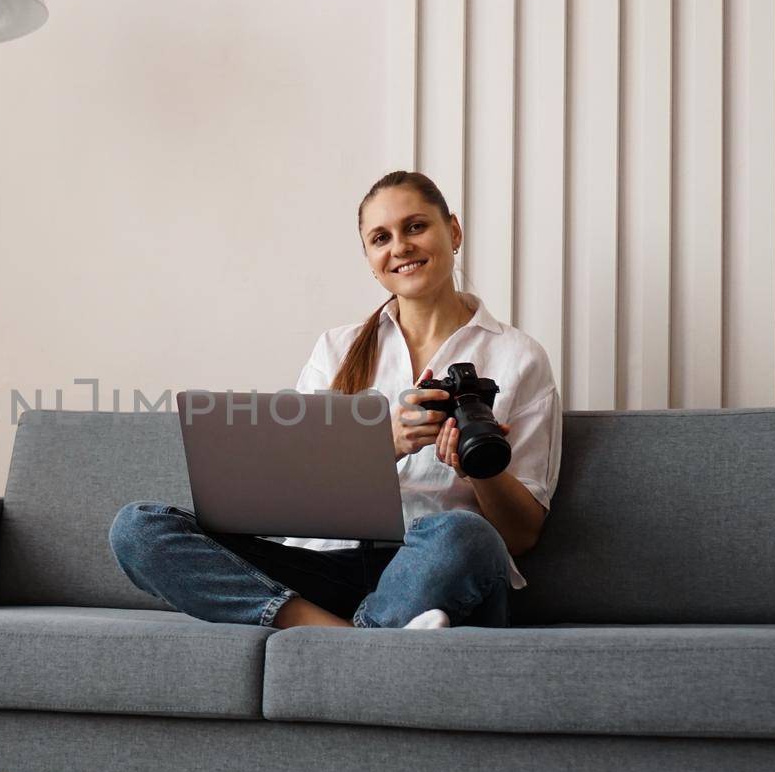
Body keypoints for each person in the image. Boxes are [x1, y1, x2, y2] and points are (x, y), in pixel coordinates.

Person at [109, 171, 563, 630]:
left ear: (454, 231)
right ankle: (343, 636)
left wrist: (478, 470)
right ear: (370, 259)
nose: (400, 247)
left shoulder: (517, 357)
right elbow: (291, 494)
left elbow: (521, 536)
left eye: (416, 227)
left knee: (465, 533)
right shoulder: (337, 349)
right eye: (381, 237)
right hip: (324, 568)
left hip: (431, 567)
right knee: (139, 529)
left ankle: (346, 641)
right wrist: (381, 446)